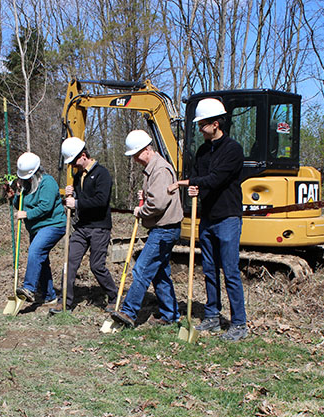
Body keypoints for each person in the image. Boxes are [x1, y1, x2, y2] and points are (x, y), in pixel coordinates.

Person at [169, 98, 248, 341]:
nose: (200, 129)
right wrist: (195, 188)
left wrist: (189, 184)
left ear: (216, 124)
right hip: (207, 218)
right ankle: (212, 316)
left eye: (203, 124)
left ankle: (239, 324)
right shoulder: (202, 151)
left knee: (231, 272)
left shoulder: (233, 150)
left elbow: (215, 179)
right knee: (210, 270)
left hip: (228, 218)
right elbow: (199, 177)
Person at [110, 130, 183, 329]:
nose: (134, 159)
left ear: (146, 149)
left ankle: (129, 312)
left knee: (141, 268)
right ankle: (170, 315)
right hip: (164, 228)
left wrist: (141, 210)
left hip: (164, 229)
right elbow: (158, 195)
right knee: (160, 272)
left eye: (135, 154)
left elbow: (158, 204)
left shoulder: (159, 169)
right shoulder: (153, 168)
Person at [50, 137, 118, 314]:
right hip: (81, 227)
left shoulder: (102, 174)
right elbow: (76, 201)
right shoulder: (78, 175)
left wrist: (77, 203)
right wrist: (70, 196)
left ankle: (113, 296)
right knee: (70, 262)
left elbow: (101, 201)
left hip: (99, 227)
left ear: (83, 155)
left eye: (74, 161)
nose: (73, 165)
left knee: (96, 266)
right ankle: (65, 300)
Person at [5, 152, 67, 307]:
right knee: (42, 260)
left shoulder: (48, 182)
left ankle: (29, 288)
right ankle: (49, 295)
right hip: (36, 229)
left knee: (35, 251)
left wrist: (27, 214)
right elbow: (19, 205)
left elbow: (45, 206)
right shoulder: (26, 186)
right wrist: (16, 194)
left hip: (53, 225)